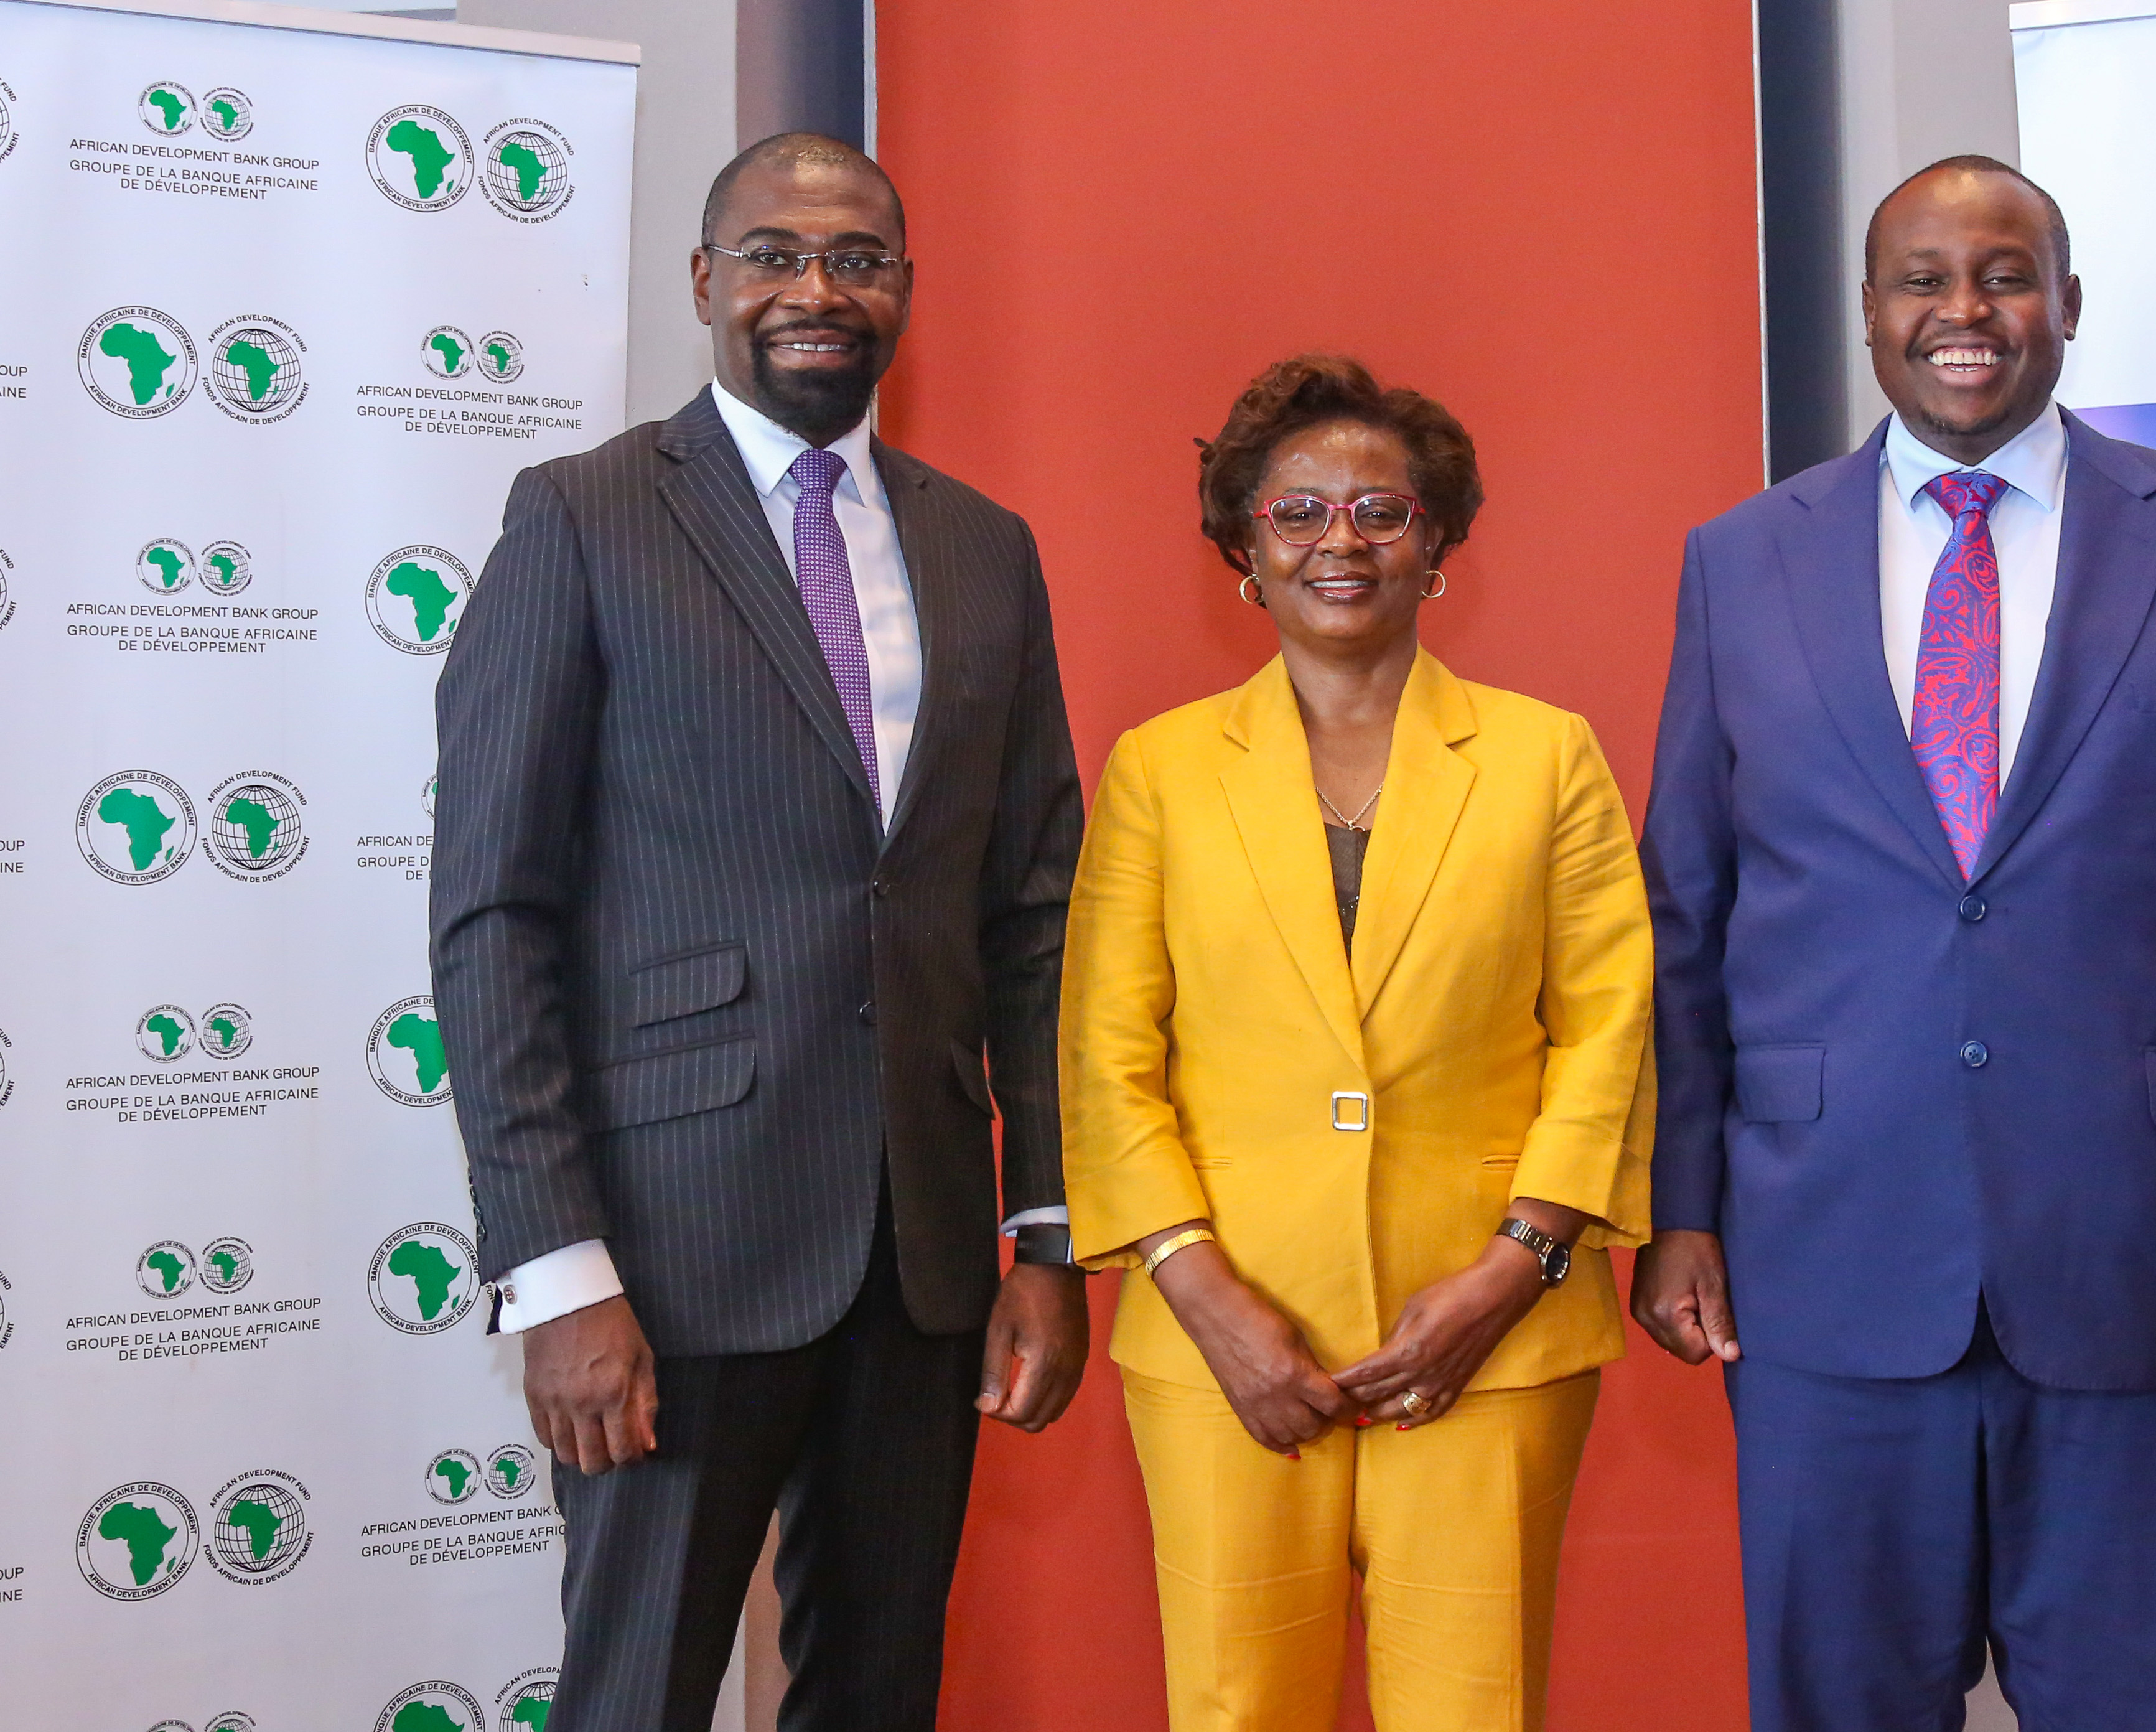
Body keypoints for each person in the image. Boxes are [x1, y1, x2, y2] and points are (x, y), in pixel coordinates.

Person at [1633, 156, 2156, 1731]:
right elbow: (1688, 915)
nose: (1964, 311)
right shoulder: (1741, 559)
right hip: (1823, 1271)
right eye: (1922, 279)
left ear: (2066, 305)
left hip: (2149, 1262)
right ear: (1870, 316)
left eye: (2003, 275)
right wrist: (1677, 1208)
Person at [429, 133, 1089, 1732]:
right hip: (667, 1259)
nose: (818, 289)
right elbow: (494, 912)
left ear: (906, 294)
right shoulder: (583, 517)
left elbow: (1031, 918)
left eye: (858, 259)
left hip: (921, 1256)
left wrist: (1050, 1232)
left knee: (878, 1693)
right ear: (708, 282)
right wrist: (555, 1272)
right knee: (638, 1692)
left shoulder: (984, 547)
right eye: (779, 255)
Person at [1060, 355, 1654, 1732]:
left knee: (1475, 1709)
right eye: (1297, 514)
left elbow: (1611, 1028)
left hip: (1488, 1336)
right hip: (1223, 1344)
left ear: (1438, 546)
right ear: (1243, 553)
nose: (1342, 540)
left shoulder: (1545, 756)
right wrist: (1198, 1289)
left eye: (1383, 511)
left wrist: (1520, 1268)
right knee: (1233, 1706)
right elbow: (1103, 1053)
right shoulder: (1157, 769)